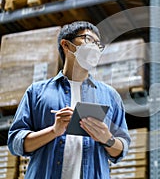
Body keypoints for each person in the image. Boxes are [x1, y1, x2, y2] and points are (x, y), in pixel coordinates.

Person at [7, 21, 131, 179]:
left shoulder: (110, 96)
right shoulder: (36, 92)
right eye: (88, 39)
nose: (94, 47)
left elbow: (122, 149)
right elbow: (15, 143)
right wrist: (54, 131)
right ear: (66, 45)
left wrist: (106, 138)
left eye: (98, 44)